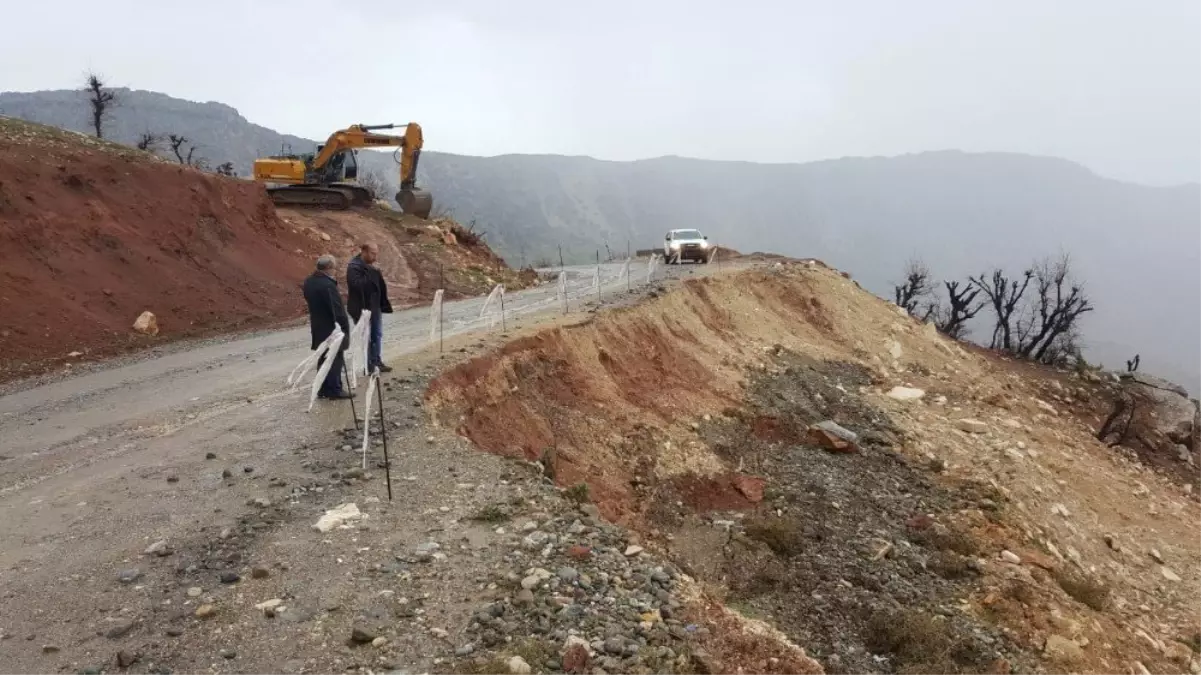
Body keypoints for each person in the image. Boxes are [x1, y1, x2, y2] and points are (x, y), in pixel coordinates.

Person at [302, 254, 353, 399]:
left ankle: (322, 388)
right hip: (332, 328)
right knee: (334, 358)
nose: (335, 271)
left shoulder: (309, 282)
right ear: (329, 268)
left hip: (318, 325)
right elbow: (337, 310)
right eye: (334, 268)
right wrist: (344, 328)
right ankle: (334, 389)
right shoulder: (328, 285)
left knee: (323, 357)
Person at [346, 242, 394, 373]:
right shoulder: (354, 267)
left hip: (375, 306)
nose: (375, 257)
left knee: (376, 334)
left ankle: (377, 361)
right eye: (373, 253)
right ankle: (370, 365)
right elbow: (357, 286)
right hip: (361, 308)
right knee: (366, 336)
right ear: (364, 252)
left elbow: (379, 287)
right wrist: (371, 272)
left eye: (376, 253)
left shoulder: (371, 266)